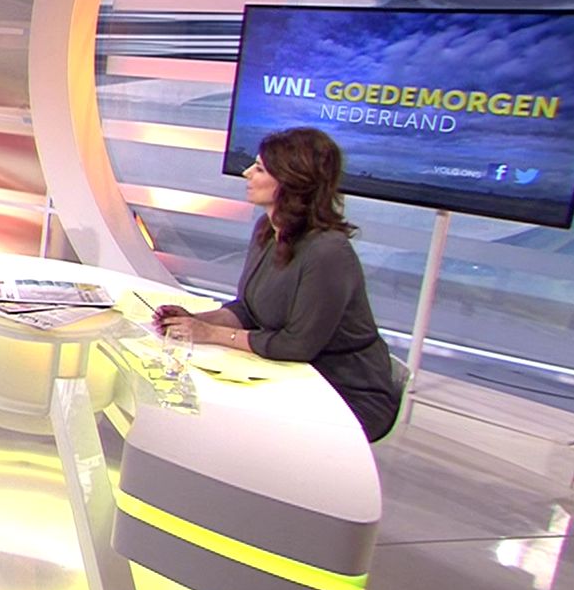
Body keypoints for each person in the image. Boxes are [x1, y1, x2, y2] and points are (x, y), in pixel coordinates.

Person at [156, 127, 402, 442]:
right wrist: (192, 322)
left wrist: (211, 334)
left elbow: (296, 346)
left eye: (259, 168)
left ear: (290, 181)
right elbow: (248, 309)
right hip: (289, 374)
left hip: (344, 392)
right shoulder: (268, 230)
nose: (246, 173)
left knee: (228, 423)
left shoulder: (328, 252)